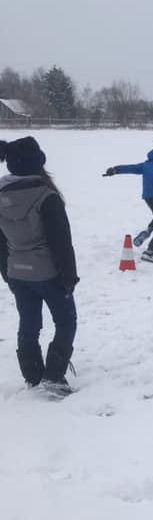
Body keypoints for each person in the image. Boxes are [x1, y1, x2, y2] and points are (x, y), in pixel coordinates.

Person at [0, 137, 79, 396]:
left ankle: (33, 375)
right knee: (66, 321)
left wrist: (7, 273)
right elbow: (61, 241)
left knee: (29, 324)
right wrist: (69, 277)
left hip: (17, 273)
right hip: (48, 274)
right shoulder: (47, 196)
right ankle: (54, 376)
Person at [103, 133, 153, 263]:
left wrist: (115, 170)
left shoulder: (147, 164)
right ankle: (149, 252)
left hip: (148, 197)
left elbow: (132, 168)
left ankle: (148, 231)